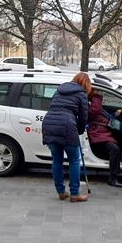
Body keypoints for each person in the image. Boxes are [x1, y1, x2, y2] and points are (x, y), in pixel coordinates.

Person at [42, 72, 91, 202]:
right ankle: (74, 194)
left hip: (49, 123)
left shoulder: (59, 90)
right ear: (86, 83)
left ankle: (61, 192)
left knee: (57, 160)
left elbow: (52, 106)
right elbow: (84, 117)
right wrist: (79, 131)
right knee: (74, 160)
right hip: (67, 125)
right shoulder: (82, 94)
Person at [87, 91, 122, 188]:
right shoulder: (93, 105)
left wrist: (115, 115)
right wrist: (97, 96)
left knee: (119, 144)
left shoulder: (95, 105)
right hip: (98, 135)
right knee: (114, 149)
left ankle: (117, 170)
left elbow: (104, 117)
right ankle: (113, 177)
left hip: (102, 133)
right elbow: (96, 112)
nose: (102, 94)